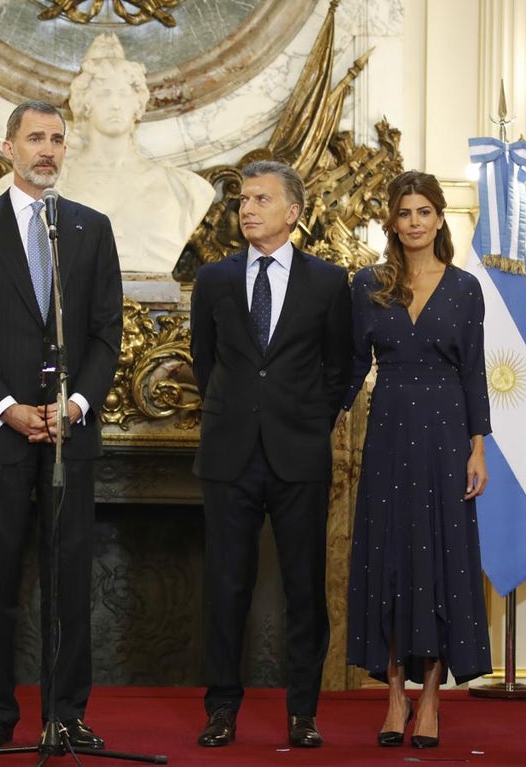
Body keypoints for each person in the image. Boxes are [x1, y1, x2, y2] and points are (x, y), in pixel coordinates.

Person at [0, 101, 123, 750]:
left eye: (56, 139)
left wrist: (74, 406)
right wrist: (6, 407)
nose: (47, 149)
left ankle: (66, 714)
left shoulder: (90, 229)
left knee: (70, 581)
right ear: (9, 146)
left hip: (70, 435)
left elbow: (106, 333)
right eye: (35, 138)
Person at [190, 160, 353, 749]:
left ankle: (302, 712)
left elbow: (342, 366)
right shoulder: (213, 280)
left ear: (293, 212)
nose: (248, 209)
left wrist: (310, 417)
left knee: (304, 590)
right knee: (225, 587)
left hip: (299, 455)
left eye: (261, 199)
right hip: (228, 456)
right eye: (242, 200)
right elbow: (205, 362)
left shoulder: (330, 283)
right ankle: (221, 710)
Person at [341, 170, 491, 749]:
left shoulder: (464, 288)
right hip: (388, 432)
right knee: (391, 557)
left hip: (448, 433)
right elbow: (354, 365)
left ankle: (430, 698)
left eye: (424, 212)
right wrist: (318, 416)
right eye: (404, 213)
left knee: (439, 561)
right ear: (392, 221)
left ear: (440, 218)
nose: (414, 223)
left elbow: (474, 372)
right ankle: (394, 693)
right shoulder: (368, 285)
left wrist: (479, 448)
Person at [57, 33, 214, 274]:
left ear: (139, 104)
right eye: (105, 94)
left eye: (124, 93)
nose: (116, 104)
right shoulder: (54, 183)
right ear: (84, 104)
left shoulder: (183, 189)